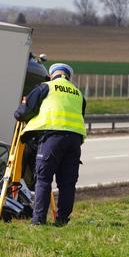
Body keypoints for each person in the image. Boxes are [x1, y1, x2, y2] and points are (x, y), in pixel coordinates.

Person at [14, 63, 86, 226]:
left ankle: (38, 220)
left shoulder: (45, 87)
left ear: (52, 75)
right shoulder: (78, 93)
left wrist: (19, 111)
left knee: (44, 179)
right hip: (74, 141)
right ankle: (61, 220)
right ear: (69, 77)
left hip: (52, 137)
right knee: (67, 183)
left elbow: (24, 112)